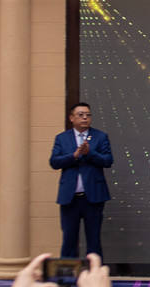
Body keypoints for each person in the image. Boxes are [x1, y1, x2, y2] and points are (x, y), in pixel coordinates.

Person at [50, 102, 113, 259]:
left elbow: (108, 161)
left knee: (94, 240)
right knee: (69, 239)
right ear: (71, 118)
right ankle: (67, 272)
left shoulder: (100, 136)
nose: (85, 118)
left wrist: (89, 153)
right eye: (81, 115)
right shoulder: (62, 138)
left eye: (88, 115)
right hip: (69, 197)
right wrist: (74, 156)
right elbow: (54, 162)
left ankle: (94, 271)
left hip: (93, 197)